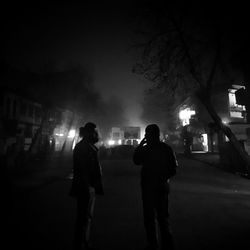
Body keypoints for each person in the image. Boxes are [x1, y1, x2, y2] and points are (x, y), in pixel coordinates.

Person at [133, 124, 178, 250]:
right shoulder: (167, 148)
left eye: (147, 134)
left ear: (149, 135)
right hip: (162, 187)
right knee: (163, 217)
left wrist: (141, 144)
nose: (146, 136)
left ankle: (153, 245)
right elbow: (173, 169)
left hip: (148, 188)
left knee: (149, 218)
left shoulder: (146, 149)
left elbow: (136, 160)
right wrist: (163, 178)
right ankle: (167, 245)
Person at [69, 122, 104, 250]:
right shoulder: (84, 147)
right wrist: (87, 186)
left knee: (85, 216)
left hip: (88, 186)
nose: (97, 134)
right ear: (89, 133)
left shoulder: (86, 146)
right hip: (86, 187)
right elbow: (82, 169)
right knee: (84, 217)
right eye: (95, 132)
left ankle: (83, 241)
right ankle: (82, 243)